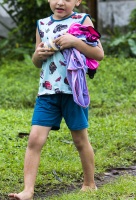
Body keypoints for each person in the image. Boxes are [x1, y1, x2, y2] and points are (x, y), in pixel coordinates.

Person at [9, 0, 104, 199]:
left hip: (73, 92)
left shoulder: (82, 20)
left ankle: (89, 184)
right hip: (47, 93)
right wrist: (38, 54)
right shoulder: (42, 24)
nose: (60, 2)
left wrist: (75, 42)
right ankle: (28, 190)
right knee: (34, 140)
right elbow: (37, 61)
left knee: (80, 140)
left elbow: (98, 53)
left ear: (78, 1)